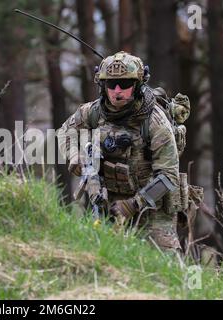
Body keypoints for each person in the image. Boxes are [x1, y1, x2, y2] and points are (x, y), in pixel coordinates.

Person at [57, 51, 189, 250]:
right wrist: (74, 156)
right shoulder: (93, 112)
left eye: (125, 84)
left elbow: (169, 176)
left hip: (152, 207)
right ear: (102, 85)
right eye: (111, 84)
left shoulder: (154, 122)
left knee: (164, 268)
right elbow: (65, 132)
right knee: (106, 259)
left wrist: (133, 205)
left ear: (137, 85)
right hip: (109, 203)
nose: (117, 90)